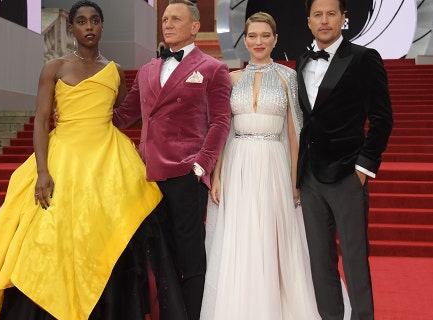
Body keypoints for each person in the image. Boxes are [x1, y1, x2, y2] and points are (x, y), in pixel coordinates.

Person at [0, 1, 164, 319]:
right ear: (71, 28)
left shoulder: (116, 71)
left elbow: (122, 115)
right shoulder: (55, 68)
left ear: (102, 26)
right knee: (51, 232)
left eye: (94, 21)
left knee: (104, 229)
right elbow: (41, 121)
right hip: (64, 157)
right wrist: (43, 171)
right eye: (81, 21)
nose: (88, 27)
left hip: (108, 159)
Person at [200, 12, 351, 320]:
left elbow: (295, 132)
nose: (258, 42)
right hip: (238, 165)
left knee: (275, 237)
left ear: (275, 39)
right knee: (240, 238)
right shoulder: (231, 79)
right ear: (245, 40)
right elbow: (224, 131)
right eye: (252, 36)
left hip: (273, 165)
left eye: (265, 36)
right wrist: (216, 176)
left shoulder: (288, 77)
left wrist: (296, 179)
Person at [112, 1, 232, 319]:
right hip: (148, 177)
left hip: (185, 175)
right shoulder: (149, 68)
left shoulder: (212, 68)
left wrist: (200, 166)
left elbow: (220, 122)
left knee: (190, 257)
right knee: (158, 256)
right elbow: (124, 117)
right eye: (164, 19)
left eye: (176, 19)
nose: (167, 24)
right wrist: (81, 112)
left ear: (194, 26)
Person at [296, 0, 393, 319]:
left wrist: (363, 169)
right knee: (320, 262)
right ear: (308, 21)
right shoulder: (301, 61)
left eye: (331, 14)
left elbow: (382, 118)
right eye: (318, 15)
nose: (324, 21)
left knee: (354, 260)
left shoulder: (364, 59)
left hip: (348, 175)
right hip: (310, 178)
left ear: (343, 19)